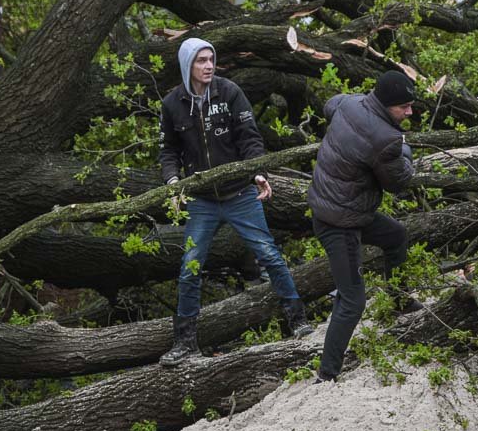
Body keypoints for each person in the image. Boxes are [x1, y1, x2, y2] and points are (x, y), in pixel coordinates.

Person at [157, 37, 313, 366]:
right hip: (201, 199)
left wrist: (257, 173)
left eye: (211, 59)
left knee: (269, 255)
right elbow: (169, 151)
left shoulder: (229, 92)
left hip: (241, 192)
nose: (209, 65)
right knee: (190, 268)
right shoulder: (172, 103)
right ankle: (185, 342)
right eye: (201, 61)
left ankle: (298, 321)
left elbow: (250, 139)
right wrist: (173, 183)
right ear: (188, 65)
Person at [307, 69, 421, 383]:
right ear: (387, 105)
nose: (410, 112)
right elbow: (401, 181)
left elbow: (328, 105)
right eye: (404, 107)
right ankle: (326, 374)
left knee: (396, 235)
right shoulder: (385, 139)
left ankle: (399, 299)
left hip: (346, 209)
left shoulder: (349, 102)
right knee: (353, 300)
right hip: (338, 223)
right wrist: (405, 148)